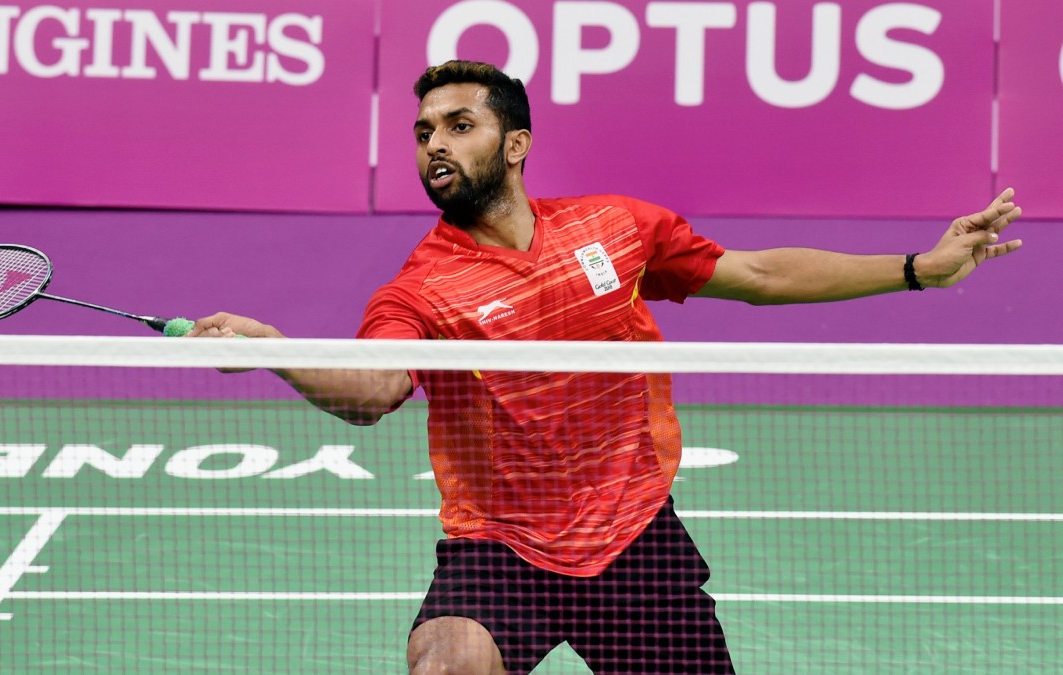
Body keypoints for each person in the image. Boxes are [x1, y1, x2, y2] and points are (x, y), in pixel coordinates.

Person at [187, 61, 1022, 674]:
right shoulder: (421, 288)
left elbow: (760, 275)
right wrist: (273, 349)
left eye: (458, 125)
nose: (434, 144)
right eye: (423, 132)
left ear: (516, 144)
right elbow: (372, 391)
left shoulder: (615, 229)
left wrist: (919, 268)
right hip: (502, 548)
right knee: (447, 662)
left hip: (634, 537)